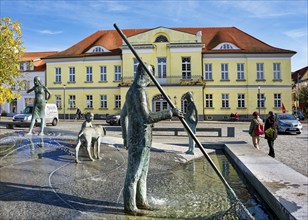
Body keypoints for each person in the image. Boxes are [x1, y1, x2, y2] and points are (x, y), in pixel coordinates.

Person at [121, 63, 182, 215]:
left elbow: (123, 116)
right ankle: (130, 206)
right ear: (146, 75)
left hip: (142, 139)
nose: (151, 80)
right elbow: (147, 117)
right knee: (134, 174)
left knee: (142, 174)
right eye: (151, 76)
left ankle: (141, 201)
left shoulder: (130, 91)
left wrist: (125, 137)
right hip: (140, 138)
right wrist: (170, 113)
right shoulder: (139, 92)